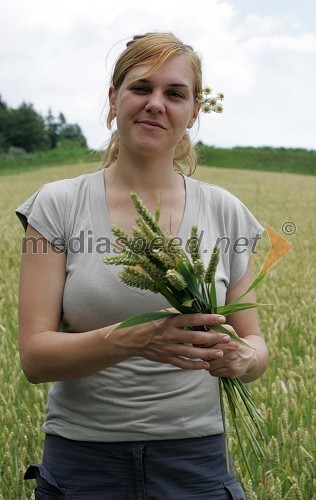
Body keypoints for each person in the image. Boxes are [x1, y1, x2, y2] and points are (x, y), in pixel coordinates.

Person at [16, 32, 269, 499]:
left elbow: (254, 343)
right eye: (141, 88)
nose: (156, 104)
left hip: (195, 464)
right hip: (83, 463)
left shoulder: (225, 212)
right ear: (113, 99)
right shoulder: (58, 207)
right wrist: (138, 338)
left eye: (175, 94)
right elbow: (34, 358)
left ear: (194, 112)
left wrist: (243, 357)